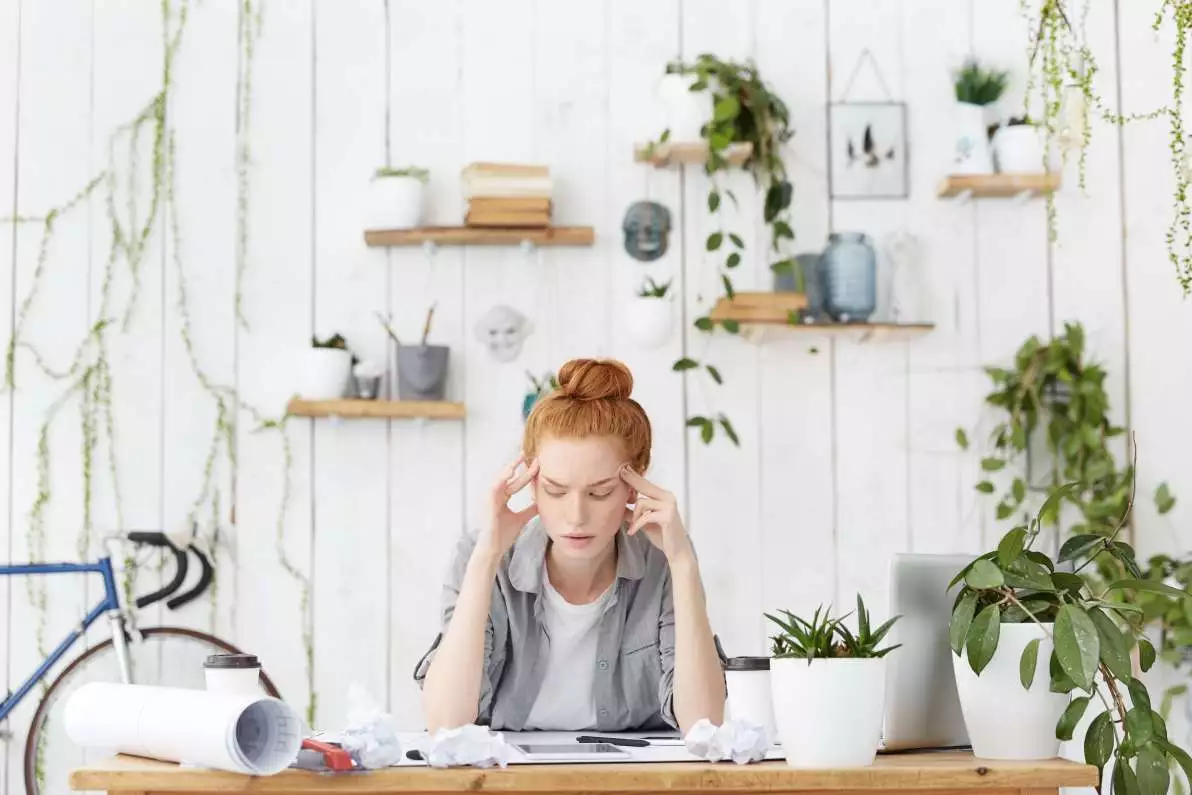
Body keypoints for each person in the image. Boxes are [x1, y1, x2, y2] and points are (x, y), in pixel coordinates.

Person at [414, 358, 727, 735]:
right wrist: (486, 559)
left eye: (600, 492)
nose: (576, 515)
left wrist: (683, 563)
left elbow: (705, 725)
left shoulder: (662, 558)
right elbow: (446, 722)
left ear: (635, 484)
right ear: (531, 482)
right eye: (556, 491)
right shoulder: (482, 554)